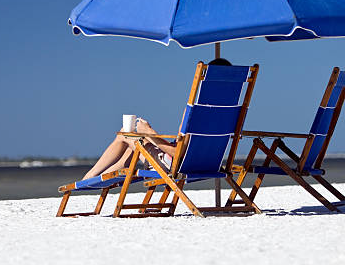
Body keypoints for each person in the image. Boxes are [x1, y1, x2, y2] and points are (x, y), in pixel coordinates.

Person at [82, 58, 233, 180]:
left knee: (124, 134)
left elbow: (178, 154)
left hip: (174, 165)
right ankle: (99, 177)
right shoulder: (231, 111)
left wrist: (149, 132)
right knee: (134, 144)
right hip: (208, 164)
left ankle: (89, 177)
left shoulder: (196, 111)